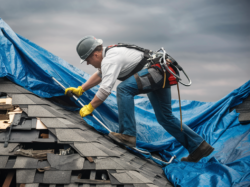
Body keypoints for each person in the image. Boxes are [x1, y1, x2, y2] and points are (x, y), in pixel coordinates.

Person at [65, 35, 214, 162]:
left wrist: (90, 107)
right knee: (165, 117)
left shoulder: (111, 59)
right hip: (160, 72)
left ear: (95, 55)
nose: (87, 63)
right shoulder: (109, 56)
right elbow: (100, 74)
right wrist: (81, 89)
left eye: (87, 60)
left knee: (123, 89)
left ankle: (127, 135)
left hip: (155, 72)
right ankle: (199, 147)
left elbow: (105, 89)